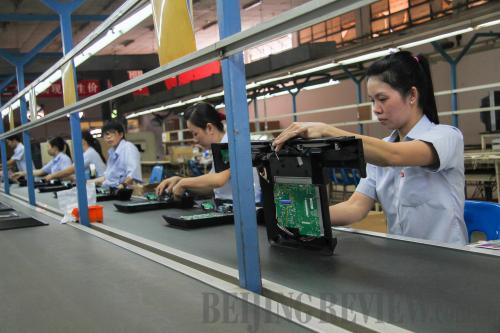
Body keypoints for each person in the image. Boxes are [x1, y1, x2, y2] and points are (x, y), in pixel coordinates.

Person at [273, 51, 467, 245]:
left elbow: (393, 156)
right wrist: (294, 216)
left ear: (412, 95)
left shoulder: (447, 137)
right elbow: (355, 207)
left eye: (382, 99)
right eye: (372, 100)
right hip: (404, 260)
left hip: (446, 261)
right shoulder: (380, 151)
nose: (376, 108)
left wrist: (326, 131)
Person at [155, 102, 261, 203]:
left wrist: (184, 183)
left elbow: (219, 180)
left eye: (195, 133)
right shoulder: (219, 148)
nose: (194, 140)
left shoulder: (232, 143)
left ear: (209, 128)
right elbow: (211, 187)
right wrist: (179, 180)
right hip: (230, 208)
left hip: (247, 213)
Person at [91, 121, 142, 189]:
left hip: (124, 192)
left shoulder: (128, 148)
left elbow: (132, 175)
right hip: (111, 190)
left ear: (121, 134)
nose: (108, 137)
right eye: (106, 134)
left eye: (112, 133)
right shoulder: (112, 152)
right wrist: (88, 182)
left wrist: (121, 186)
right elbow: (107, 177)